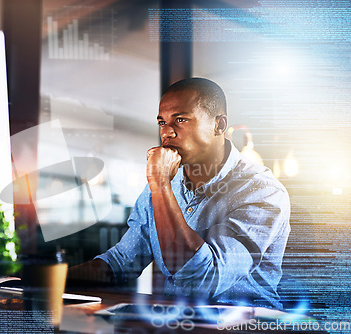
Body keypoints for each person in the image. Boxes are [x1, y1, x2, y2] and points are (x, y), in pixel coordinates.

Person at [68, 78, 290, 309]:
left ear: (219, 125)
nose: (167, 132)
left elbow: (201, 280)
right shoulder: (162, 186)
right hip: (178, 322)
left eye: (181, 120)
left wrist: (160, 183)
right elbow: (122, 262)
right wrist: (45, 282)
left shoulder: (262, 191)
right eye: (162, 122)